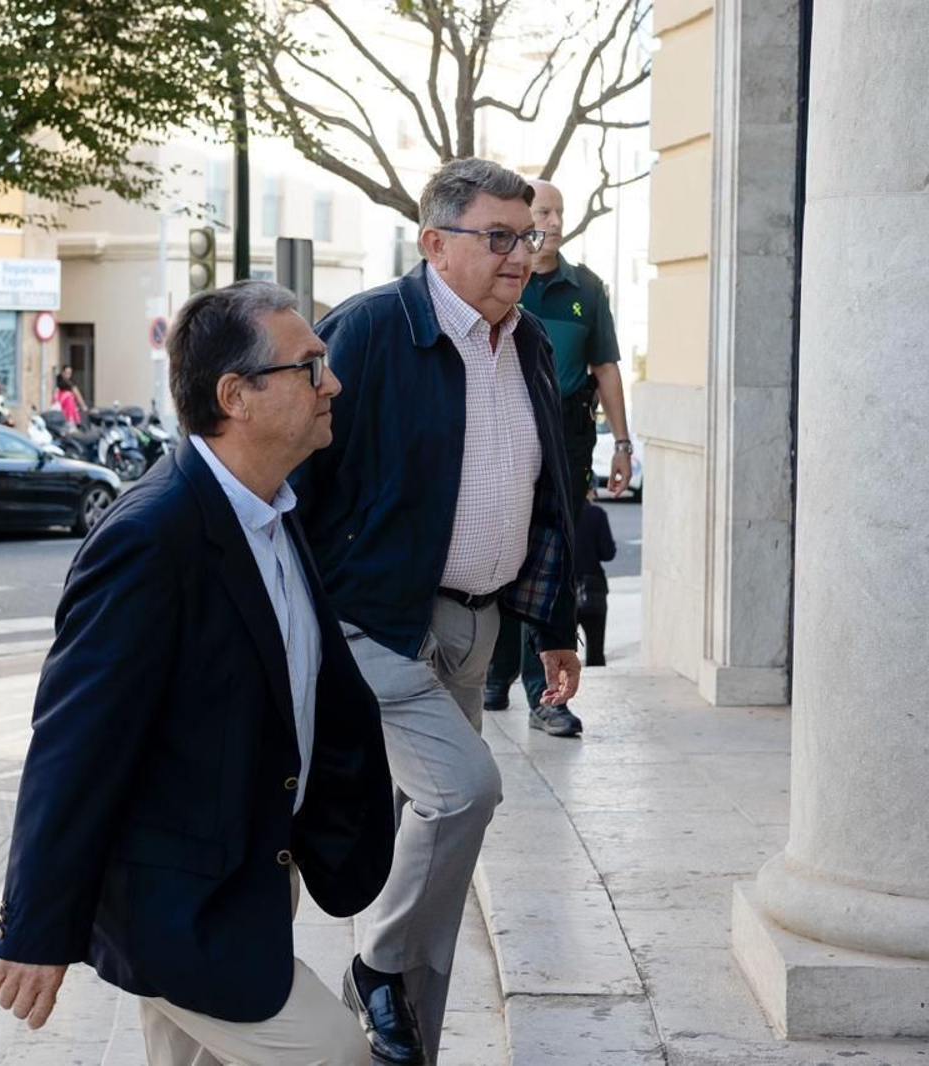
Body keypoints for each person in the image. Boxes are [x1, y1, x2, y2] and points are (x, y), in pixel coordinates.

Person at [0, 281, 395, 1066]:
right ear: (236, 395)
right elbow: (76, 742)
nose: (333, 383)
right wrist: (35, 926)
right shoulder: (151, 538)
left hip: (248, 869)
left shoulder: (273, 506)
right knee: (336, 1053)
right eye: (310, 367)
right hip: (176, 898)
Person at [292, 158, 583, 1065]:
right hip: (370, 623)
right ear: (434, 242)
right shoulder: (371, 331)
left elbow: (549, 492)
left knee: (445, 848)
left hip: (476, 625)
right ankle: (377, 967)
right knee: (466, 792)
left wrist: (557, 625)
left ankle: (407, 1035)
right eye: (497, 237)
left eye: (525, 235)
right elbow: (291, 474)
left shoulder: (527, 340)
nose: (518, 254)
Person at [482, 177, 632, 738]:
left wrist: (621, 443)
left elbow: (607, 368)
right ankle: (493, 677)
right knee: (500, 545)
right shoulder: (502, 279)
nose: (554, 220)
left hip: (568, 435)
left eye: (560, 211)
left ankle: (545, 695)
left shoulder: (586, 288)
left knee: (556, 559)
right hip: (503, 428)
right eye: (543, 210)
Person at [574, 496, 617, 667]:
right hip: (593, 589)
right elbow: (608, 553)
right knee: (595, 649)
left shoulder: (560, 511)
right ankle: (596, 682)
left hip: (562, 591)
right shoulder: (596, 514)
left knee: (561, 650)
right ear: (590, 490)